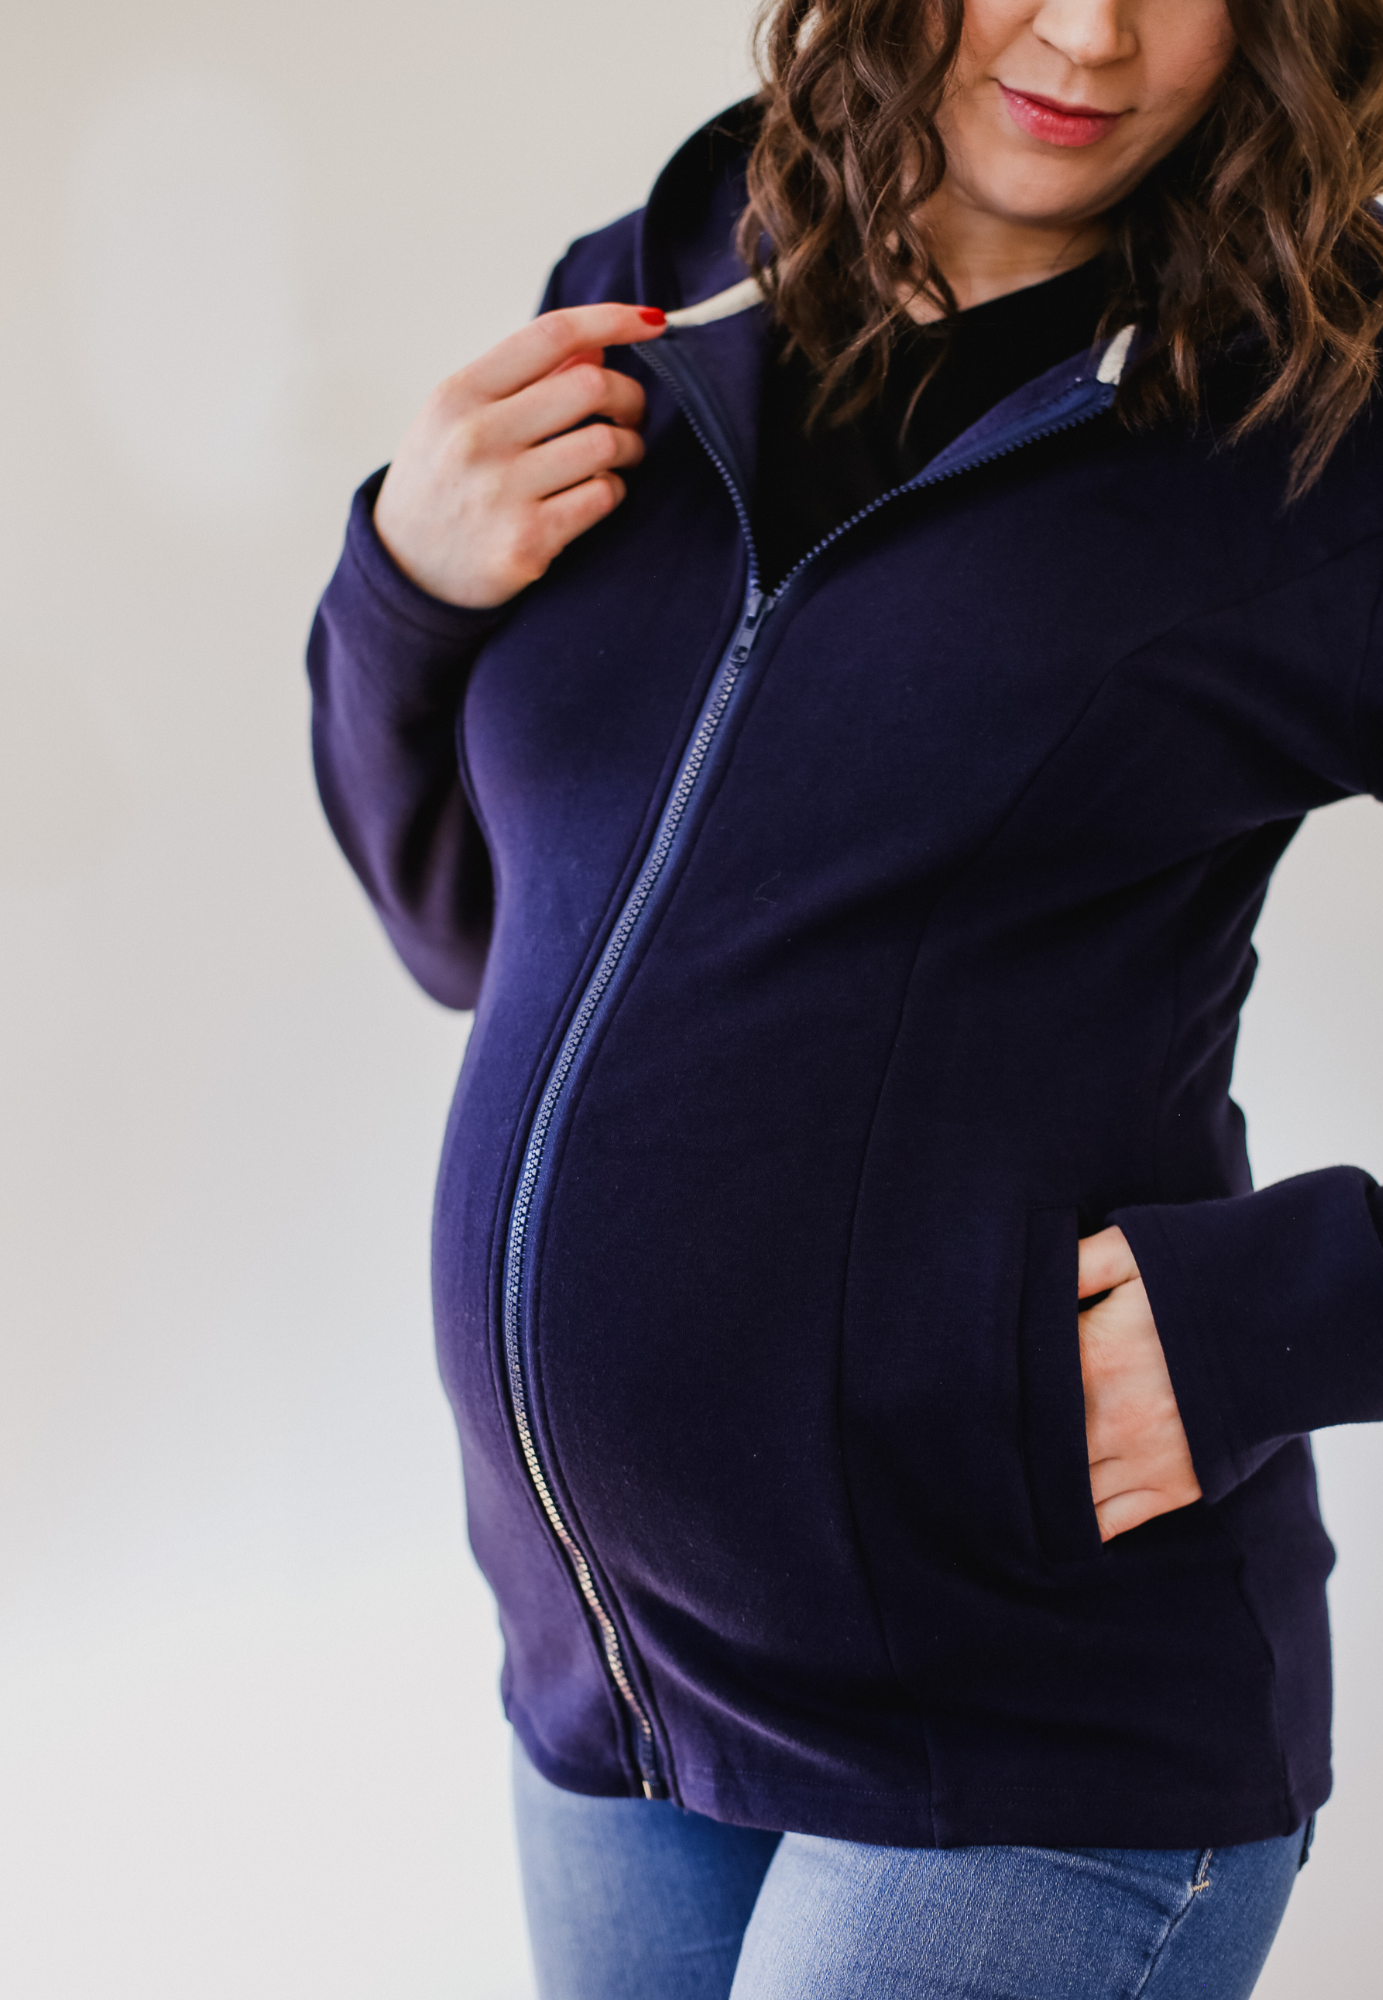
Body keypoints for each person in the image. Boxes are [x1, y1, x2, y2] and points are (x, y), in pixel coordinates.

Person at [307, 2, 1383, 1992]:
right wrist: (403, 582)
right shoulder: (662, 293)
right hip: (617, 1701)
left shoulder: (1313, 424)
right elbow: (468, 923)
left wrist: (1280, 1312)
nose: (1087, 31)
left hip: (1024, 1727)